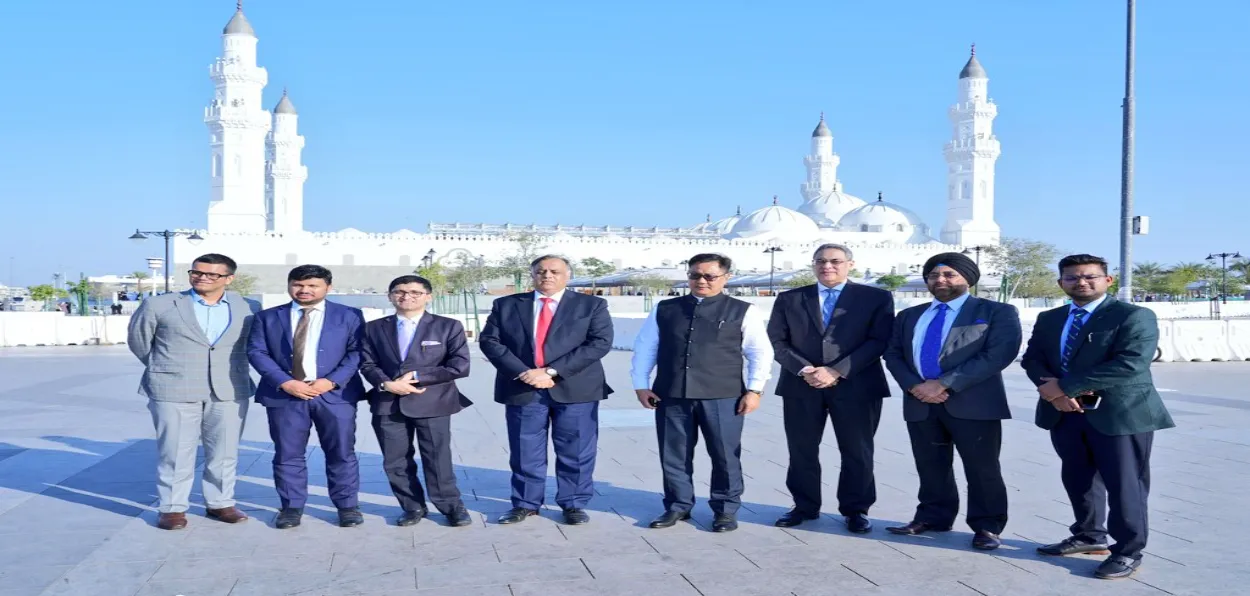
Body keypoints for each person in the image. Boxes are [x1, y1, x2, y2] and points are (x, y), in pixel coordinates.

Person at [1021, 254, 1174, 579]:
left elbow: (1130, 363)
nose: (1081, 282)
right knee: (1078, 479)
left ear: (1108, 280)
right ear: (1061, 283)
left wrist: (1063, 387)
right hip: (1065, 414)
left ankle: (1128, 551)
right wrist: (1054, 392)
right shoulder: (1050, 318)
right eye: (1072, 277)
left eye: (1090, 276)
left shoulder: (1133, 316)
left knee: (1125, 485)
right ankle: (1089, 536)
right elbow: (1032, 358)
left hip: (1120, 414)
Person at [882, 252, 1021, 550]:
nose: (940, 280)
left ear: (968, 278)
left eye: (949, 275)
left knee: (982, 467)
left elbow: (998, 354)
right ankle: (934, 516)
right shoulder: (909, 316)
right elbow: (893, 354)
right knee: (930, 465)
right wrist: (915, 386)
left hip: (974, 403)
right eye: (933, 275)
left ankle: (987, 525)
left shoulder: (996, 312)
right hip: (920, 401)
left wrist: (944, 384)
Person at [633, 253, 773, 533]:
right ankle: (677, 505)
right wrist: (641, 383)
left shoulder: (743, 310)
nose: (701, 281)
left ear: (726, 278)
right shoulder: (666, 308)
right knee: (673, 454)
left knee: (724, 455)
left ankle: (725, 510)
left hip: (723, 395)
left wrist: (755, 389)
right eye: (695, 275)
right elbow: (646, 346)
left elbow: (760, 352)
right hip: (671, 394)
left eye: (710, 276)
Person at [766, 243, 893, 533]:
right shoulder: (791, 298)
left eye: (835, 261)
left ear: (851, 264)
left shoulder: (876, 297)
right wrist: (806, 369)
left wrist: (837, 370)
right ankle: (804, 505)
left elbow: (879, 340)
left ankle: (856, 510)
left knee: (857, 451)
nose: (828, 266)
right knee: (801, 450)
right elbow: (777, 341)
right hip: (802, 384)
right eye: (820, 261)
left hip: (858, 385)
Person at [126, 254, 259, 530]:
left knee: (224, 450)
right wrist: (166, 368)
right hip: (173, 387)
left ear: (228, 279)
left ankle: (221, 503)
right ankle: (173, 508)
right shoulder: (159, 304)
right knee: (174, 451)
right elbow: (139, 342)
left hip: (229, 387)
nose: (202, 278)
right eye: (197, 272)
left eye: (212, 275)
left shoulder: (248, 306)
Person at [479, 255, 613, 525]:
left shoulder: (591, 305)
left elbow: (599, 343)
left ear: (568, 275)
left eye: (555, 271)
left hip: (575, 388)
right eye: (541, 271)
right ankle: (526, 503)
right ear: (532, 275)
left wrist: (551, 371)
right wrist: (524, 373)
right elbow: (490, 342)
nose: (547, 276)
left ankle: (573, 503)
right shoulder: (506, 305)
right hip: (523, 386)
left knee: (576, 449)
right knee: (524, 448)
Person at [247, 265, 367, 529]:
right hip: (286, 395)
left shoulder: (350, 315)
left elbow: (357, 352)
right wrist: (286, 382)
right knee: (288, 454)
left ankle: (347, 506)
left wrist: (330, 381)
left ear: (328, 287)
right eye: (298, 284)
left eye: (313, 285)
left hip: (335, 395)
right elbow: (257, 352)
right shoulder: (268, 317)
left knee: (341, 452)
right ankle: (291, 507)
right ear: (289, 285)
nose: (304, 290)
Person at [359, 275, 473, 527]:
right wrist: (386, 383)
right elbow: (367, 363)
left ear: (428, 296)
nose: (406, 296)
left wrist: (420, 376)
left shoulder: (448, 326)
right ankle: (412, 507)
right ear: (390, 296)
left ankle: (451, 506)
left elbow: (460, 365)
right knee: (395, 460)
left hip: (432, 402)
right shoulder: (373, 328)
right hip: (388, 401)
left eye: (414, 292)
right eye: (399, 292)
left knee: (437, 457)